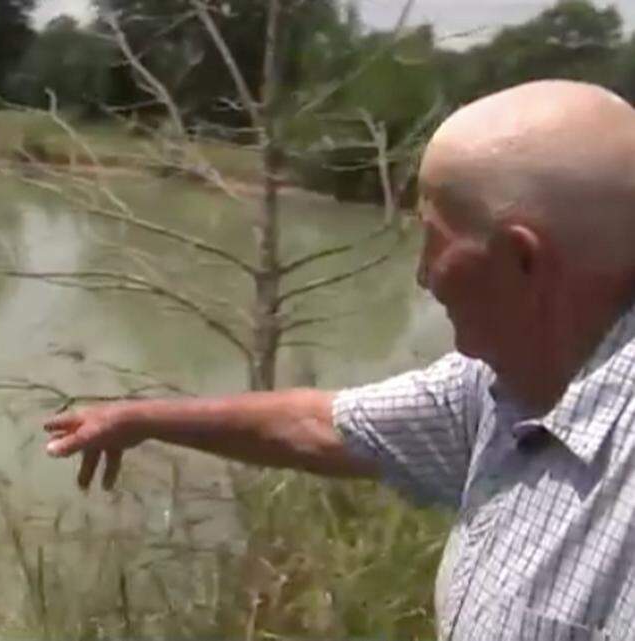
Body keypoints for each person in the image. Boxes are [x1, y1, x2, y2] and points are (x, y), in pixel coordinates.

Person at [42, 80, 635, 640]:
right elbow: (317, 426)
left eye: (434, 238)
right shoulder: (498, 388)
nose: (423, 275)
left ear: (521, 261)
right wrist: (139, 419)